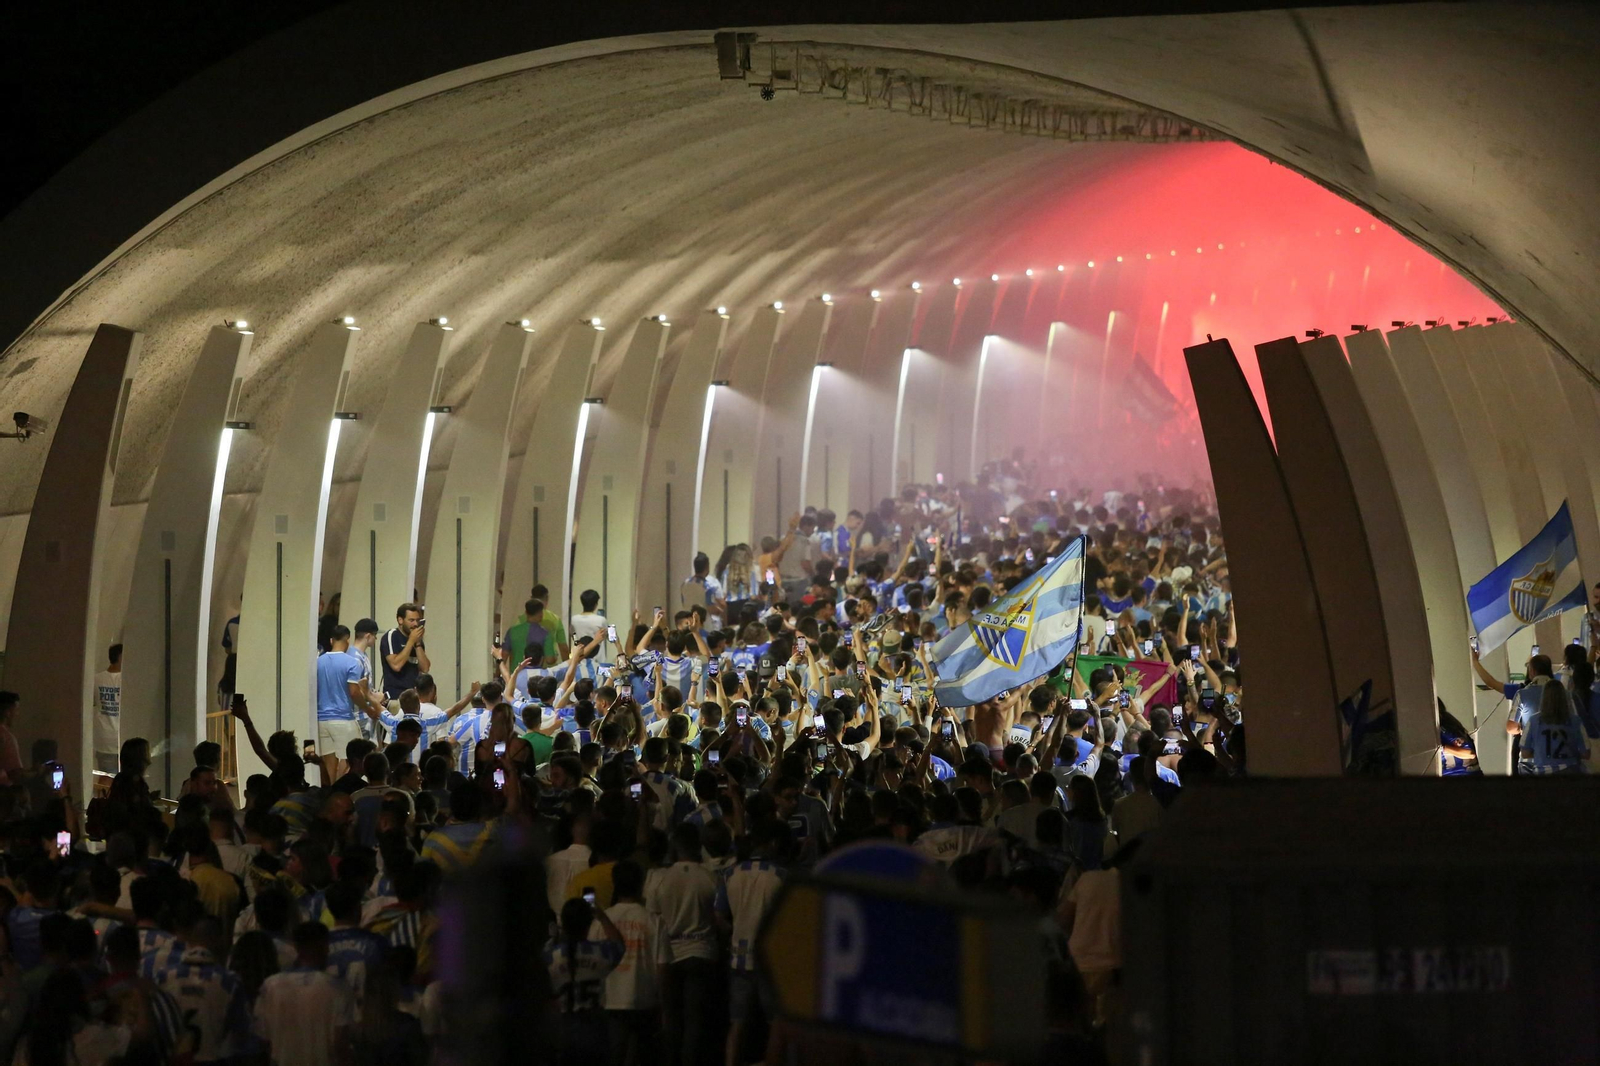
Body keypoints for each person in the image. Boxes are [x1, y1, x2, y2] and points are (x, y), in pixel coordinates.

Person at [594, 860, 669, 1066]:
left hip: (610, 999)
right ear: (641, 884)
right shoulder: (654, 921)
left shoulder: (601, 921)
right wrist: (664, 1007)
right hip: (644, 1000)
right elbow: (662, 967)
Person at [254, 920, 354, 1066]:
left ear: (296, 947)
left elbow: (263, 1040)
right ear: (324, 946)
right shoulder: (338, 988)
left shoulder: (270, 986)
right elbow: (341, 1044)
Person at [545, 897, 626, 1066]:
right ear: (588, 924)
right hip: (595, 1031)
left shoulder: (551, 957)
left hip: (564, 1032)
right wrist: (602, 917)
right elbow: (618, 945)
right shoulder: (599, 952)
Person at [316, 623, 385, 780]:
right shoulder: (351, 662)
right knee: (351, 761)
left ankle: (331, 791)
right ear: (347, 640)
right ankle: (348, 790)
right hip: (343, 719)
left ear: (331, 640)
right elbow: (354, 692)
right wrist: (368, 709)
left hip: (321, 720)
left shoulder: (319, 662)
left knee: (329, 765)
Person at [379, 603, 430, 700]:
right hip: (395, 697)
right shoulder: (392, 636)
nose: (415, 624)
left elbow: (425, 668)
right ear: (400, 620)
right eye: (411, 620)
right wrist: (411, 641)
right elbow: (396, 665)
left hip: (413, 696)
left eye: (417, 620)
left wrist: (417, 644)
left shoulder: (417, 641)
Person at [93, 643, 123, 773]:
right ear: (120, 657)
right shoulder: (127, 679)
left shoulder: (96, 679)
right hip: (121, 737)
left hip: (103, 739)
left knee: (106, 779)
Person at [0, 690, 22, 786]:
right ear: (7, 712)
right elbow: (15, 774)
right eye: (16, 710)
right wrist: (37, 772)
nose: (17, 714)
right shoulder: (6, 737)